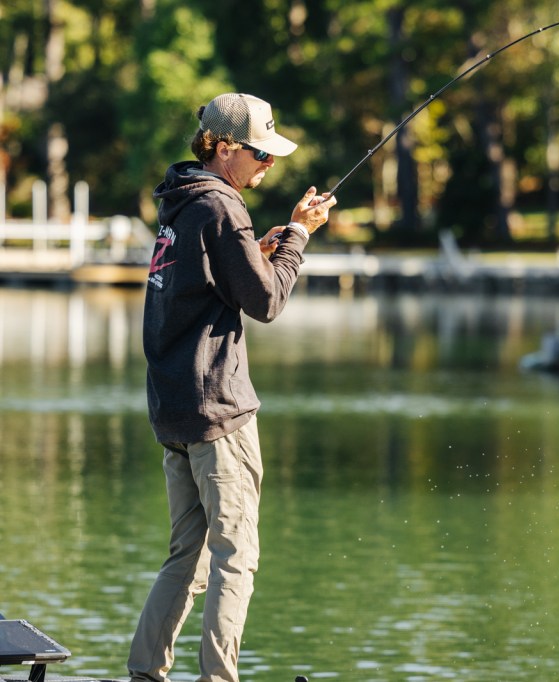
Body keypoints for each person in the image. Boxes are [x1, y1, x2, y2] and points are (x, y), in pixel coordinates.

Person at [128, 92, 336, 682]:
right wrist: (298, 236)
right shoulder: (222, 206)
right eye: (259, 153)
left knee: (188, 558)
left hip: (174, 410)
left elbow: (207, 283)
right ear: (223, 148)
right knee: (235, 558)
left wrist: (258, 249)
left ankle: (145, 673)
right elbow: (266, 301)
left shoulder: (183, 200)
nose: (268, 164)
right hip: (217, 412)